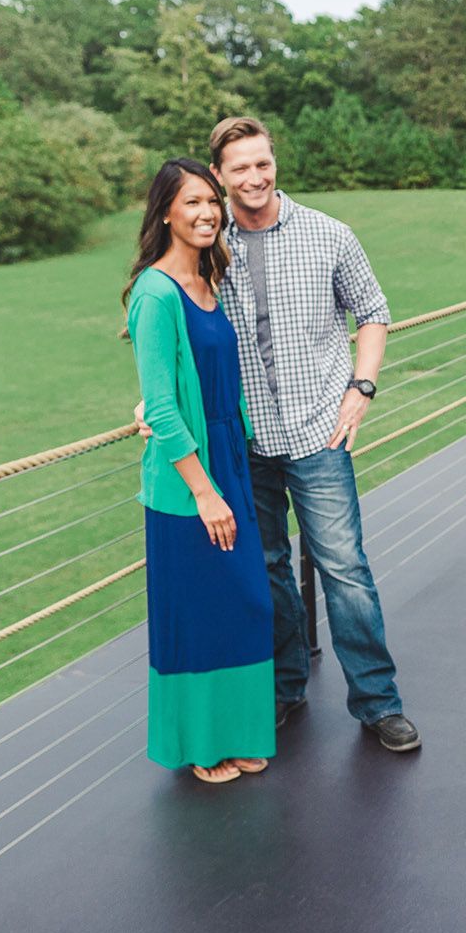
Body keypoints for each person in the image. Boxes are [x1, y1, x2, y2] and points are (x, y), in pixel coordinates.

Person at [186, 115, 418, 752]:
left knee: (345, 570)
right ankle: (285, 688)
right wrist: (151, 400)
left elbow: (372, 313)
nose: (255, 177)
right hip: (242, 441)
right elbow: (177, 328)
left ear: (273, 161)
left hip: (319, 432)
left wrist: (361, 387)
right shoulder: (207, 244)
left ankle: (377, 702)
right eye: (240, 168)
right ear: (220, 176)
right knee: (266, 570)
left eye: (263, 163)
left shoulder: (329, 234)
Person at [125, 158, 275, 785]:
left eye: (211, 201)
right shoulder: (155, 293)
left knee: (243, 604)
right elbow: (160, 401)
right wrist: (205, 492)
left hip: (229, 462)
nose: (208, 212)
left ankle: (237, 733)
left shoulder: (211, 282)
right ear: (165, 212)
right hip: (190, 484)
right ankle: (200, 746)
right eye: (191, 202)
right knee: (197, 612)